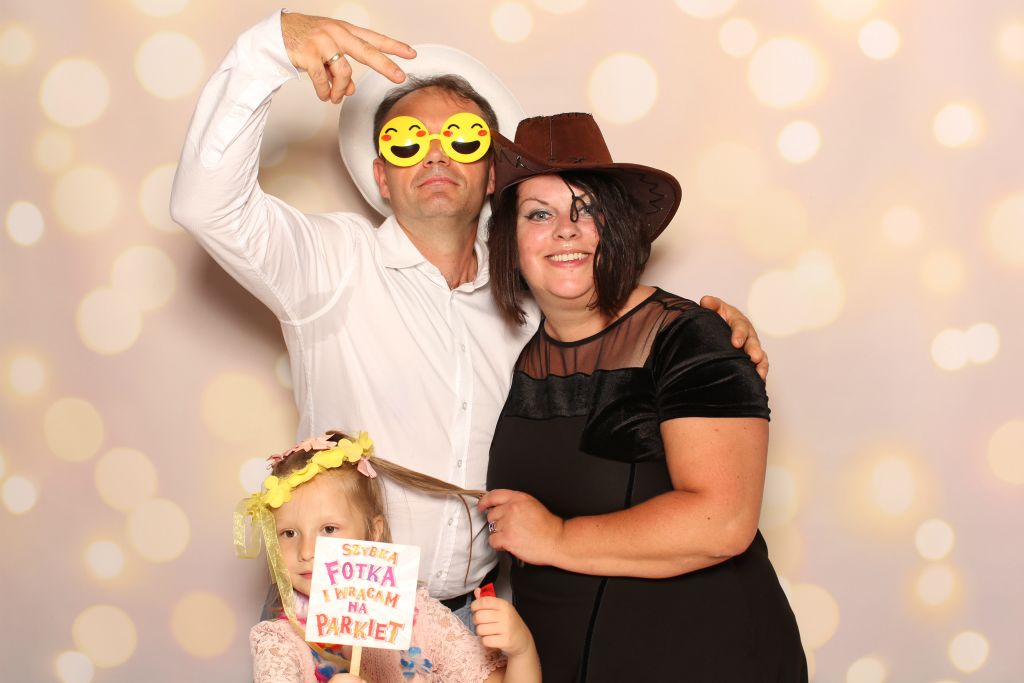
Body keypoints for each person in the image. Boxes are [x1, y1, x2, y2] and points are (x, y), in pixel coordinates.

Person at [170, 9, 767, 607]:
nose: (435, 156)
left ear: (489, 177)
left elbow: (620, 334)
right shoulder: (329, 263)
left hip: (471, 617)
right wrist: (268, 49)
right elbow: (205, 206)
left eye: (462, 139)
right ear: (381, 176)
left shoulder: (535, 297)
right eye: (407, 143)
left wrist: (710, 337)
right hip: (340, 611)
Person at [479, 113, 806, 681]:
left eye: (587, 210)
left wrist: (556, 537)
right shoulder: (513, 355)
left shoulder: (691, 337)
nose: (566, 230)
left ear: (618, 228)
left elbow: (723, 521)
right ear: (511, 241)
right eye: (539, 214)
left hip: (703, 660)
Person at [237, 430, 541, 682]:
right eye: (289, 533)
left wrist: (522, 651)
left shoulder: (420, 618)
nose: (306, 551)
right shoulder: (279, 642)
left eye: (328, 529)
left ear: (374, 532)